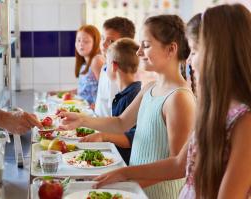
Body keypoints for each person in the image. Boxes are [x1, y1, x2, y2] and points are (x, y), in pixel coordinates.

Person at [93, 4, 251, 199]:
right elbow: (178, 164)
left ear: (219, 53)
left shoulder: (245, 120)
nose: (190, 61)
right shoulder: (211, 108)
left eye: (194, 51)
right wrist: (124, 173)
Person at [58, 14, 196, 199]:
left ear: (171, 49)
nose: (138, 52)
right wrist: (82, 120)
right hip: (138, 190)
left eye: (145, 45)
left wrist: (126, 179)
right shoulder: (150, 88)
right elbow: (121, 123)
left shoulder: (179, 98)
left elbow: (177, 167)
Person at [80, 38, 141, 164]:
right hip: (118, 159)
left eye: (106, 64)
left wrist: (103, 136)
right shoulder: (124, 93)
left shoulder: (133, 95)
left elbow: (133, 137)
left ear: (113, 66)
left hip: (126, 164)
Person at [94, 17, 135, 117]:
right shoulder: (106, 65)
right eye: (102, 38)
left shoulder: (117, 74)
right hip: (97, 126)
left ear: (125, 45)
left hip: (106, 131)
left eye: (111, 41)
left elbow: (115, 117)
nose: (103, 44)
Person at [74, 24, 104, 105]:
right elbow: (83, 91)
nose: (81, 44)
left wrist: (96, 106)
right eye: (78, 40)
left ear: (95, 43)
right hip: (85, 110)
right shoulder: (84, 64)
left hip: (95, 114)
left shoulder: (96, 60)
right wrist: (59, 93)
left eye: (86, 41)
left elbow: (106, 91)